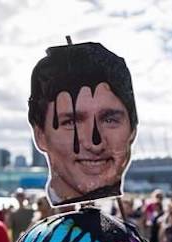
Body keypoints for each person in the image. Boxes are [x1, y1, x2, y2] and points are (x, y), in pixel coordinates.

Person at [28, 41, 137, 206]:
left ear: (133, 130)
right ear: (40, 136)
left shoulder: (127, 232)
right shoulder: (44, 232)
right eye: (71, 122)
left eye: (110, 120)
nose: (94, 143)